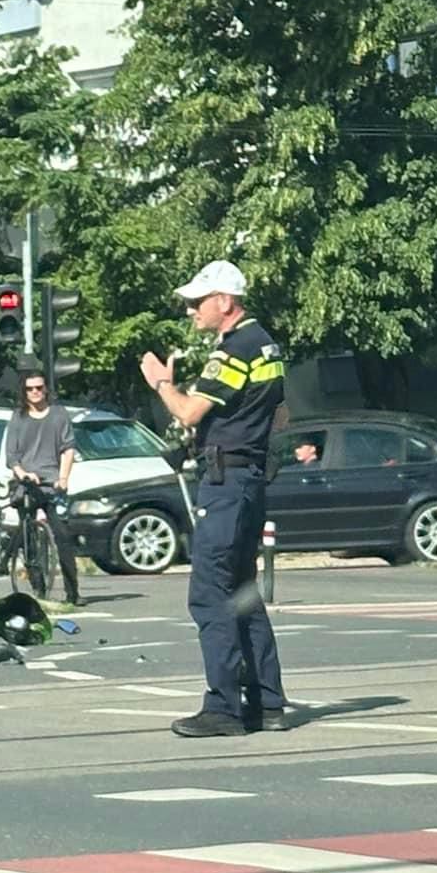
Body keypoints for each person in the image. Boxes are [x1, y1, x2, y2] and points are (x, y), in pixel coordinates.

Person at [140, 259, 288, 738]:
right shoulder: (267, 344)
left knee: (209, 594)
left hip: (225, 484)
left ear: (224, 301)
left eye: (196, 302)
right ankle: (267, 703)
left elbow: (188, 412)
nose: (191, 311)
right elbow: (281, 416)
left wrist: (161, 381)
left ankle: (222, 707)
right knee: (242, 591)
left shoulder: (232, 352)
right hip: (250, 479)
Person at [3, 373, 82, 607]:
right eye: (30, 389)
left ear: (46, 389)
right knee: (28, 537)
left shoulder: (59, 414)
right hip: (26, 484)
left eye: (39, 387)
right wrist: (23, 474)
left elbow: (68, 448)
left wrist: (63, 477)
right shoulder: (18, 417)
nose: (35, 392)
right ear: (24, 392)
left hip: (51, 484)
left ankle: (73, 592)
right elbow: (12, 457)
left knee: (63, 536)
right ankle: (38, 588)